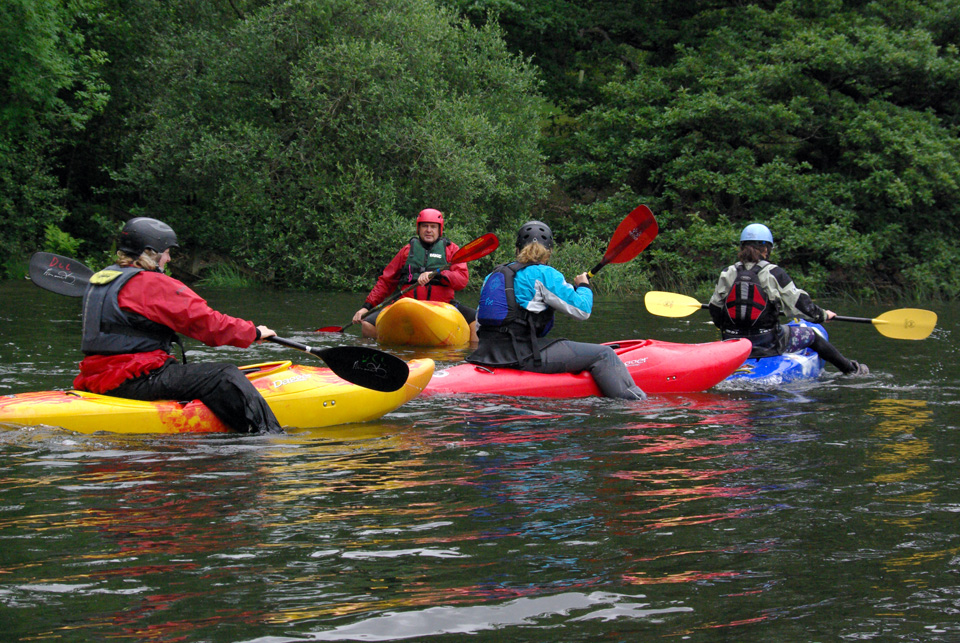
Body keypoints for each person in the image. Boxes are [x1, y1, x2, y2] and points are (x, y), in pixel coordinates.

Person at [73, 217, 284, 433]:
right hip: (136, 379)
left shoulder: (102, 280)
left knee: (193, 372)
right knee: (224, 375)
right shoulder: (150, 283)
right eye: (166, 252)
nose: (169, 258)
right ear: (150, 251)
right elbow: (207, 324)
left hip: (94, 379)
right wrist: (254, 332)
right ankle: (270, 438)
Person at [466, 220, 646, 400]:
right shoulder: (545, 274)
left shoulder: (493, 275)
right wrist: (583, 285)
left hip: (485, 353)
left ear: (518, 249)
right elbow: (582, 310)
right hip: (522, 356)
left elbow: (480, 325)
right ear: (549, 251)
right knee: (604, 354)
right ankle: (634, 403)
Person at [707, 223, 868, 375]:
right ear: (766, 249)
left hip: (732, 342)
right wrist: (823, 315)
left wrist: (732, 330)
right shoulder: (774, 273)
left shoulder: (727, 272)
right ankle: (851, 370)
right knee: (812, 335)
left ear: (742, 247)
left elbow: (715, 309)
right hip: (767, 343)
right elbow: (801, 305)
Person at [352, 208, 477, 341]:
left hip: (442, 306)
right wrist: (366, 307)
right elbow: (386, 281)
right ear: (419, 228)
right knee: (367, 324)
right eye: (425, 226)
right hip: (408, 305)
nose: (429, 230)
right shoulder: (406, 251)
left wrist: (439, 275)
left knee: (476, 321)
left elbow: (462, 280)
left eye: (433, 227)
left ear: (439, 229)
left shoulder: (451, 250)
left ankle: (473, 357)